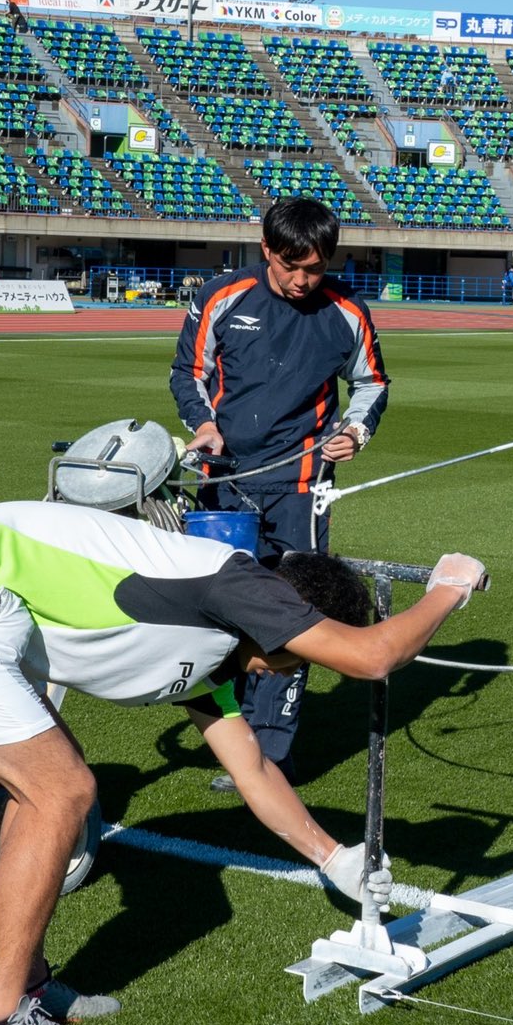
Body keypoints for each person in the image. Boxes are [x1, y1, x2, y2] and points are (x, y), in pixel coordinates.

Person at [0, 497, 486, 1025]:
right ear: (287, 617)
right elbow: (373, 656)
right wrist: (447, 589)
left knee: (48, 784)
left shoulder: (216, 651)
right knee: (61, 791)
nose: (284, 672)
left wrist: (333, 858)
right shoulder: (236, 584)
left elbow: (253, 768)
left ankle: (28, 986)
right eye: (298, 655)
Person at [171, 197, 388, 789]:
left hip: (301, 484)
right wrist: (203, 423)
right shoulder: (221, 295)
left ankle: (271, 752)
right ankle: (231, 735)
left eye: (314, 269)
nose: (300, 280)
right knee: (218, 605)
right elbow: (188, 372)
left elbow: (371, 383)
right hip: (222, 479)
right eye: (290, 266)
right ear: (266, 249)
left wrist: (354, 432)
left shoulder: (347, 310)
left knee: (293, 609)